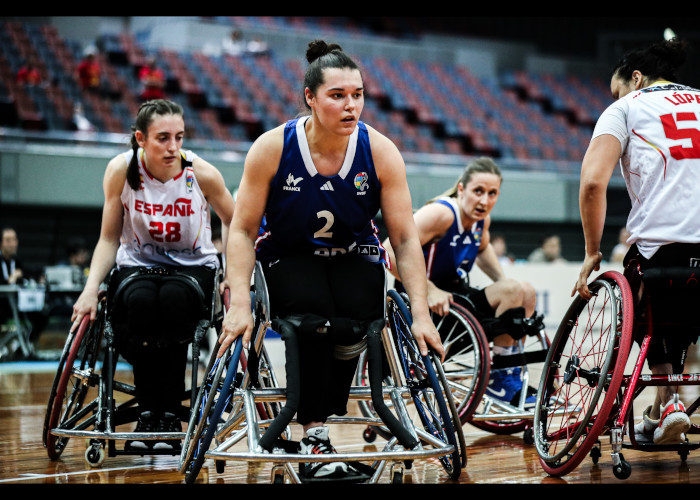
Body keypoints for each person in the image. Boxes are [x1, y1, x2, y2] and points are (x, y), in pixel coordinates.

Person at [216, 40, 444, 480]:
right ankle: (312, 429)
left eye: (357, 94)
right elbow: (242, 230)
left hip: (353, 253)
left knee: (358, 319)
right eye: (338, 95)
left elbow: (403, 236)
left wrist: (420, 311)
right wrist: (240, 301)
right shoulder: (271, 147)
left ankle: (320, 419)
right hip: (288, 254)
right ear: (310, 98)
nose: (351, 105)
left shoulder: (380, 151)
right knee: (313, 314)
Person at [71, 99, 234, 451]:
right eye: (163, 138)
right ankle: (150, 412)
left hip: (192, 268)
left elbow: (237, 221)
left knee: (174, 301)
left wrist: (233, 275)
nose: (173, 147)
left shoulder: (200, 172)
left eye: (179, 137)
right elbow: (108, 238)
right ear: (141, 139)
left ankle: (168, 411)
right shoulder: (121, 170)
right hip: (138, 266)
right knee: (141, 302)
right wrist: (89, 289)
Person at [573, 37, 699, 445]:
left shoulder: (626, 108)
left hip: (662, 254)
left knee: (651, 287)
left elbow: (593, 183)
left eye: (616, 88)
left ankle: (664, 401)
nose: (613, 98)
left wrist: (592, 252)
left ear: (637, 78)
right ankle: (665, 405)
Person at [382, 157, 541, 406]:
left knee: (526, 291)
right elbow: (388, 250)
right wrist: (428, 289)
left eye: (492, 193)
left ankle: (505, 374)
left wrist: (506, 284)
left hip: (455, 299)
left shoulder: (481, 221)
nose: (484, 201)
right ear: (461, 189)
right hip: (422, 302)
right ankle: (498, 380)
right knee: (512, 290)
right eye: (478, 191)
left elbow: (483, 250)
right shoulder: (442, 213)